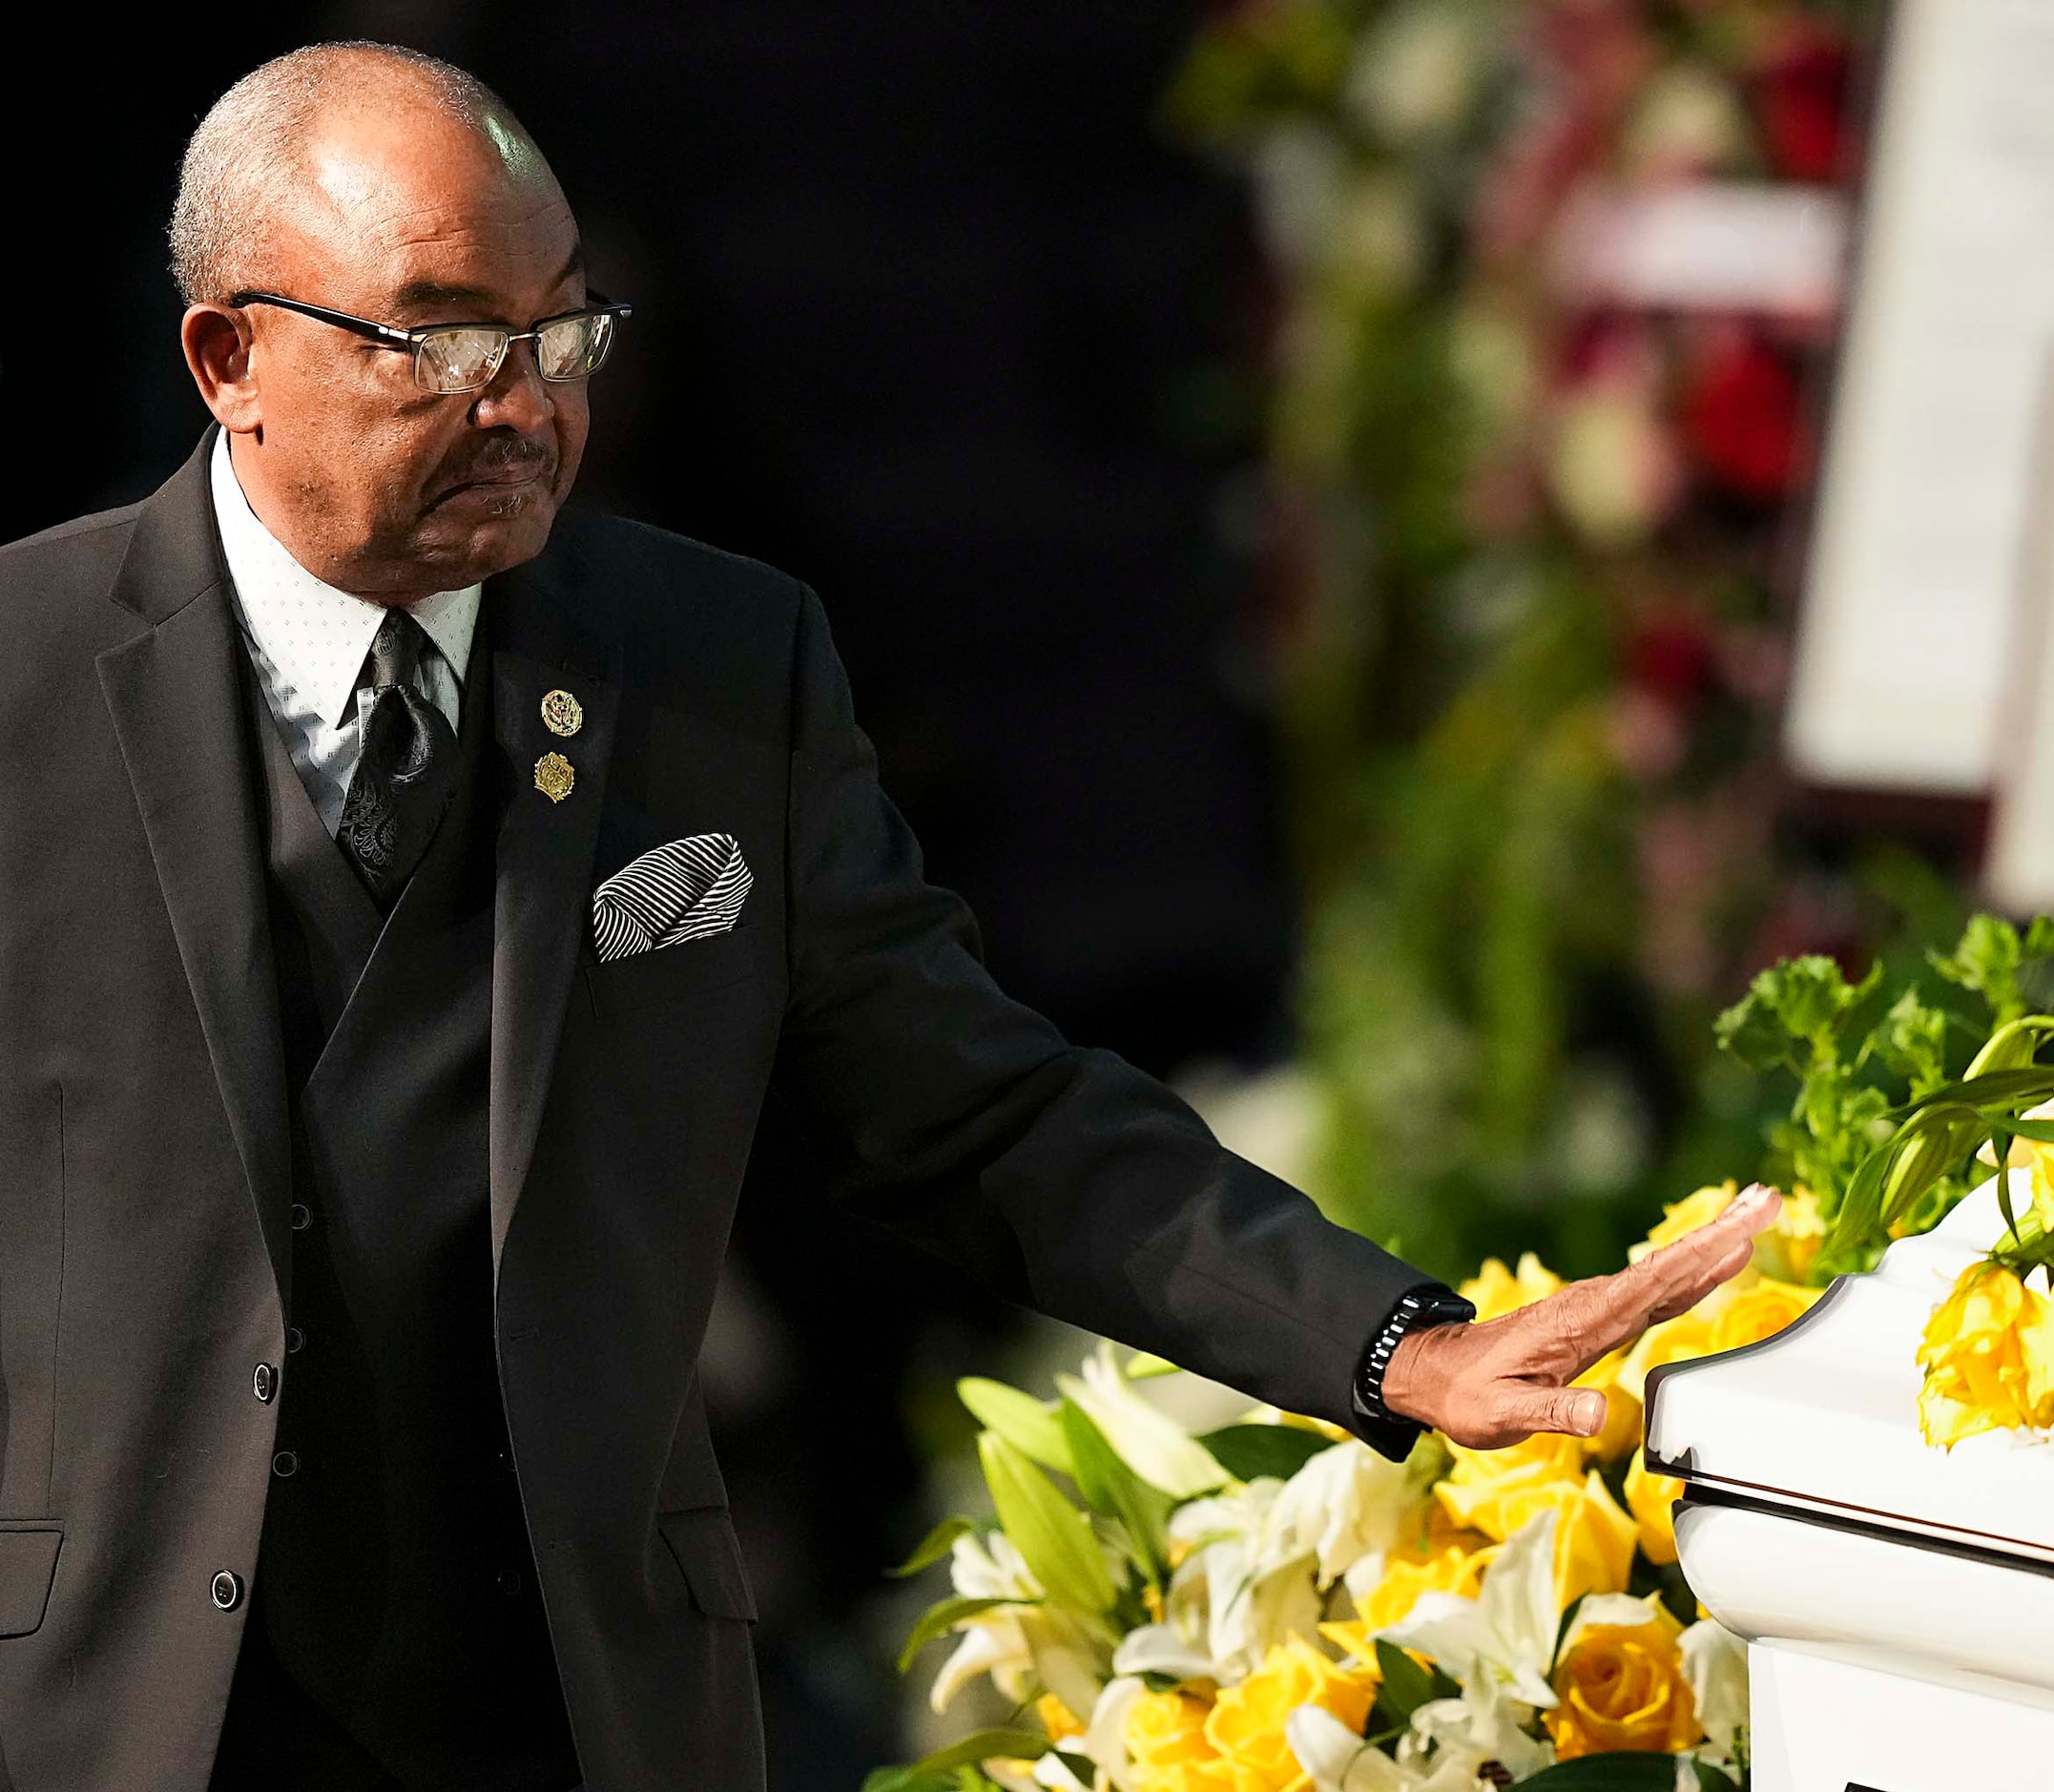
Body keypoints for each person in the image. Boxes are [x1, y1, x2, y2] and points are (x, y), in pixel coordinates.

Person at [0, 42, 1780, 1792]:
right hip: (113, 1707)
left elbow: (982, 1114)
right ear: (230, 356)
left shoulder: (713, 665)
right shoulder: (25, 678)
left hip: (576, 1709)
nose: (526, 402)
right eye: (448, 338)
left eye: (561, 333)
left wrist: (1396, 1344)